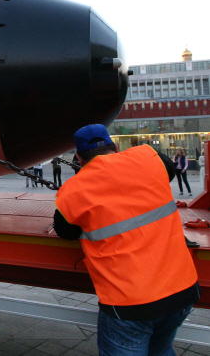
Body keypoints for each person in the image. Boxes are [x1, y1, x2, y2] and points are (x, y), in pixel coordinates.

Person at [53, 124, 200, 355]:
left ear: (79, 159)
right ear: (115, 146)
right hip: (182, 291)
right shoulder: (149, 157)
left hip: (131, 305)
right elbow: (169, 170)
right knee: (160, 350)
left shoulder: (74, 190)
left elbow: (65, 231)